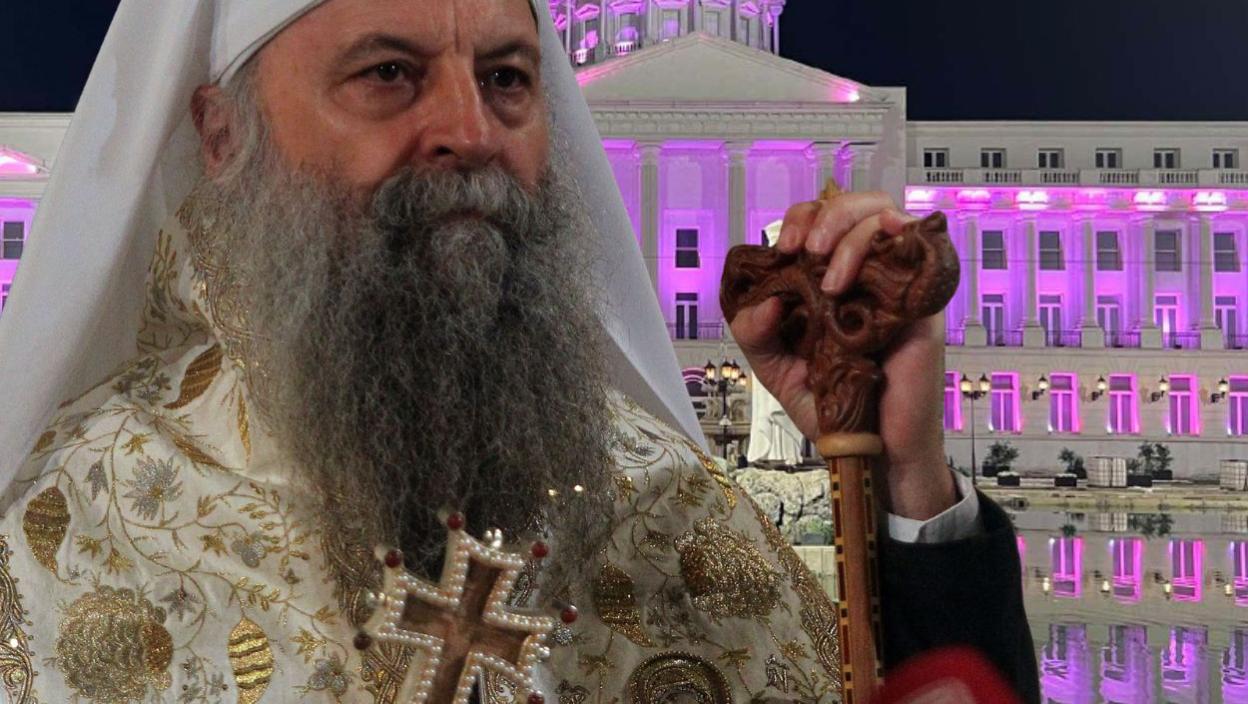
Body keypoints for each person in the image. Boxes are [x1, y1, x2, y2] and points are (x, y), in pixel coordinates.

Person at [0, 1, 1038, 702]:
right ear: (222, 136)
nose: (471, 129)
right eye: (389, 73)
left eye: (506, 77)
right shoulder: (74, 522)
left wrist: (903, 478)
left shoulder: (667, 505)